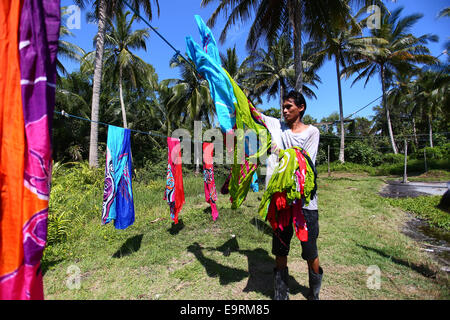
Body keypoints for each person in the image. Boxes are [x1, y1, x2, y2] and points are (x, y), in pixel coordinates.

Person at [261, 90, 322, 300]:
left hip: (305, 203)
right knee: (280, 249)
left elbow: (303, 160)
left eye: (289, 107)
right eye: (283, 107)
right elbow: (256, 114)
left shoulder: (312, 132)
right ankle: (280, 294)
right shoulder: (279, 127)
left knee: (310, 250)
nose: (284, 110)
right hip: (282, 202)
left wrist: (277, 151)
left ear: (301, 108)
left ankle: (314, 294)